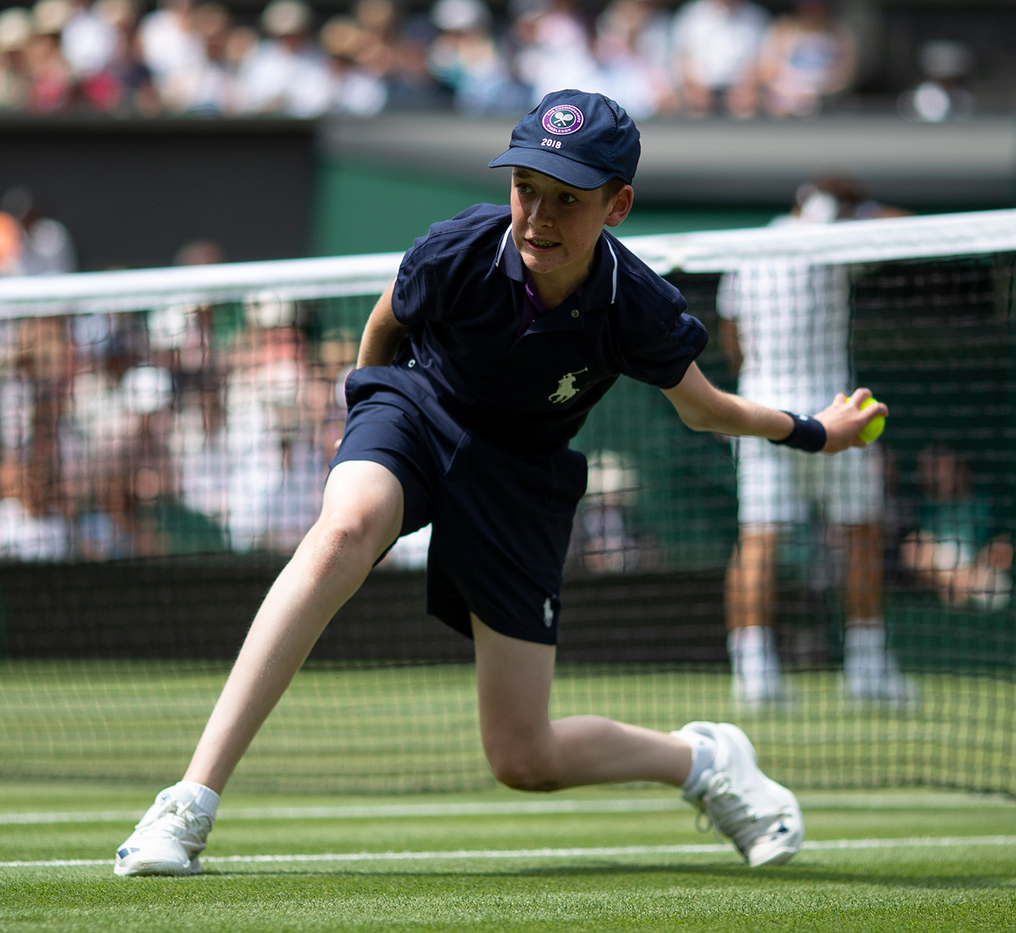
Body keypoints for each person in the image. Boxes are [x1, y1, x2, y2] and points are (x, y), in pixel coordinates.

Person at [113, 90, 883, 878]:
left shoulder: (638, 304)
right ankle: (187, 804)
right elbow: (385, 325)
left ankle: (702, 759)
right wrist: (367, 422)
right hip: (419, 408)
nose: (539, 217)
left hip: (523, 470)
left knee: (524, 756)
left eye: (568, 199)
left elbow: (704, 408)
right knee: (342, 530)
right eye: (527, 188)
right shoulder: (456, 248)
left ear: (617, 205)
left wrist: (813, 430)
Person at [716, 177, 909, 708]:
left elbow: (731, 338)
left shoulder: (748, 253)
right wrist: (861, 211)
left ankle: (758, 673)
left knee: (765, 538)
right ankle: (859, 671)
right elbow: (906, 223)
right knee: (851, 533)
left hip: (766, 412)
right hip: (827, 414)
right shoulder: (833, 243)